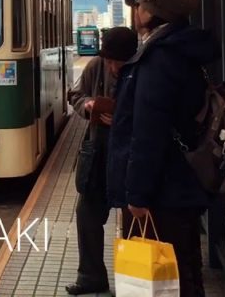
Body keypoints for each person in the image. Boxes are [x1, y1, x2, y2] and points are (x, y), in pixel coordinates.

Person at [107, 0, 219, 297]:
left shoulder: (160, 59)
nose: (137, 10)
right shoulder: (183, 51)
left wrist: (138, 195)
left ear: (151, 11)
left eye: (140, 4)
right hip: (181, 181)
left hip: (163, 190)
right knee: (184, 268)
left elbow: (147, 131)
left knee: (166, 277)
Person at [65, 27, 138, 296]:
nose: (111, 66)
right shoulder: (96, 65)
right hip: (99, 152)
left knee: (135, 218)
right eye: (107, 60)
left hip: (132, 155)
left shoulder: (143, 69)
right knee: (87, 214)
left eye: (115, 61)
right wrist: (89, 105)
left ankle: (135, 280)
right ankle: (90, 276)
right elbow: (75, 95)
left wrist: (124, 117)